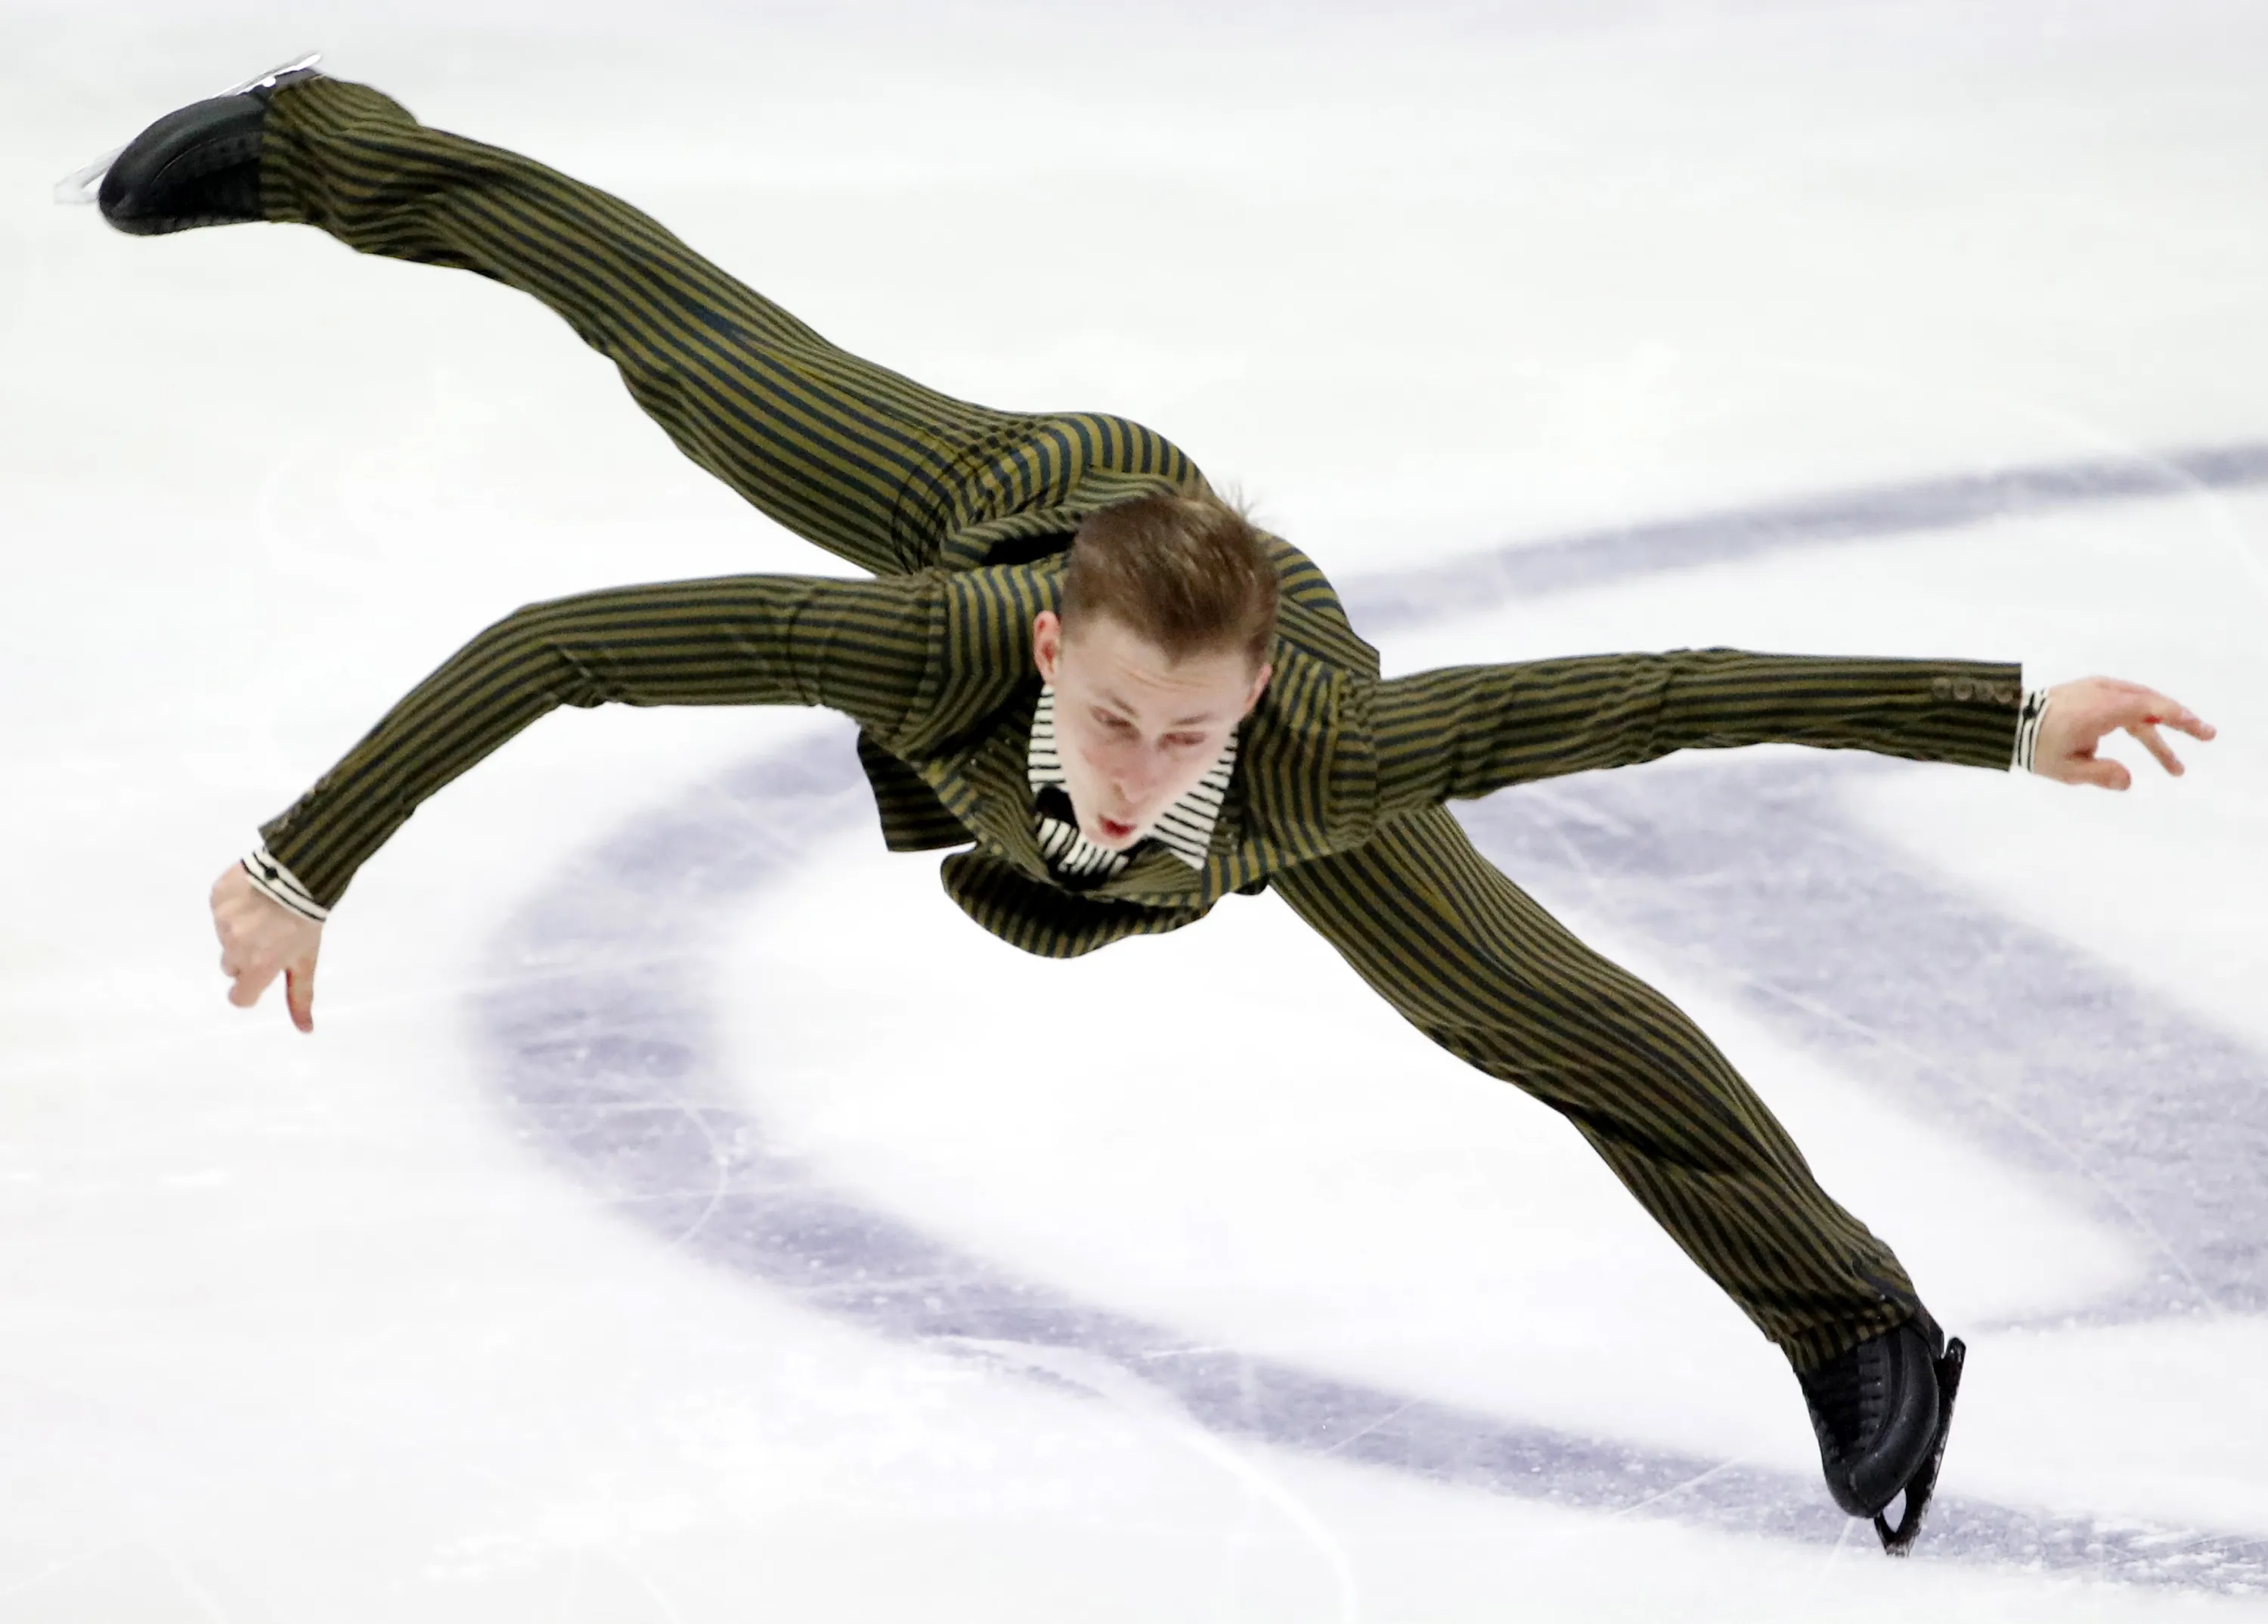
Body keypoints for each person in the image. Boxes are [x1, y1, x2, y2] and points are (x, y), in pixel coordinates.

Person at [91, 61, 2214, 1551]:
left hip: (1228, 633)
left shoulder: (1318, 755)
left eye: (1187, 741)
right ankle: (328, 144)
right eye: (1114, 726)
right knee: (685, 348)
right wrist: (301, 863)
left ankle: (1856, 1318)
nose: (1141, 773)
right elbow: (564, 645)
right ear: (1044, 659)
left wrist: (2005, 714)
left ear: (1256, 702)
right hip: (1022, 495)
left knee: (1535, 1009)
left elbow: (1660, 698)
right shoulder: (947, 635)